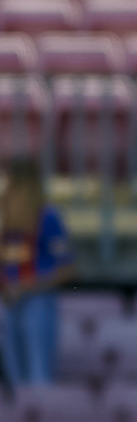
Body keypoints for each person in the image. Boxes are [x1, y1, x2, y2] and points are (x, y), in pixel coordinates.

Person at [0, 157, 75, 387]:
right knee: (12, 377)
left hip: (36, 300)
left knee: (37, 373)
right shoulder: (4, 220)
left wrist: (29, 286)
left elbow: (67, 269)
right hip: (6, 302)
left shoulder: (48, 218)